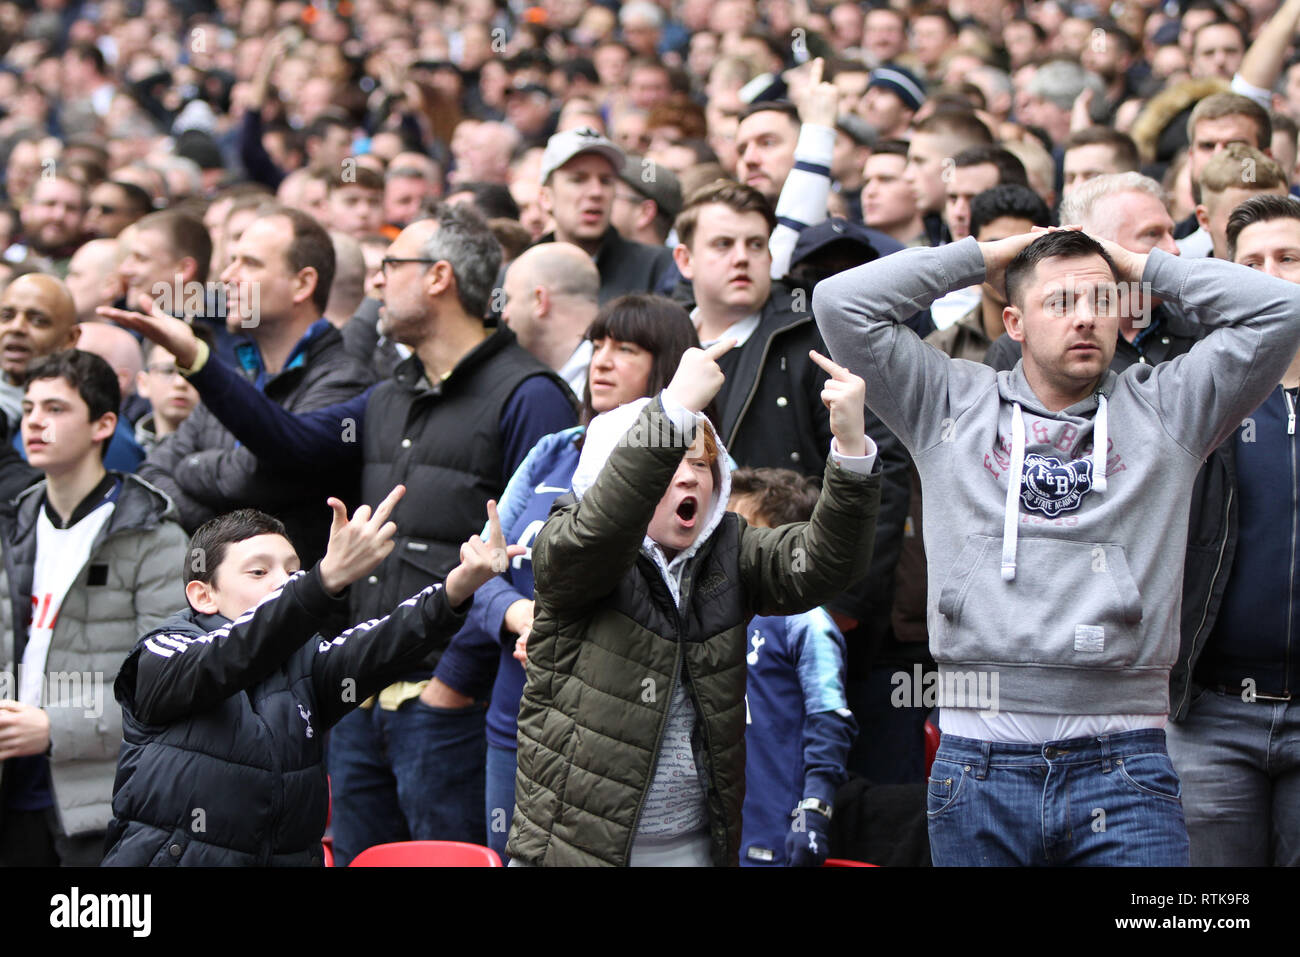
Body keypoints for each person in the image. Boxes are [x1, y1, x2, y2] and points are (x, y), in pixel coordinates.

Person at [813, 222, 1300, 865]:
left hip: (1127, 766)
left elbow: (1282, 308)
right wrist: (989, 256)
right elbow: (839, 302)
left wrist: (1138, 265)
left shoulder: (1172, 409)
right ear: (1013, 322)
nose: (1085, 319)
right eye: (1060, 302)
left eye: (1101, 303)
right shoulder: (947, 401)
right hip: (977, 765)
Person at [110, 202, 576, 864]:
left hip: (448, 702)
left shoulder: (531, 395)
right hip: (353, 699)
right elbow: (291, 443)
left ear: (439, 276)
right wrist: (198, 359)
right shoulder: (390, 393)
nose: (376, 283)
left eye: (391, 265)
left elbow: (532, 559)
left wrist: (452, 681)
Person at [507, 341, 882, 866]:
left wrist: (850, 448)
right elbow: (599, 533)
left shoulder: (731, 550)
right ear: (612, 475)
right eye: (670, 459)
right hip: (576, 850)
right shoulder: (567, 543)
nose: (689, 476)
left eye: (702, 464)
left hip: (695, 849)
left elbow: (825, 564)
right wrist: (676, 410)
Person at [102, 490, 522, 866]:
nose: (284, 582)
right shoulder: (161, 653)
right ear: (203, 595)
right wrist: (323, 582)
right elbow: (229, 655)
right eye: (258, 572)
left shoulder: (305, 662)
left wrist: (456, 589)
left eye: (292, 570)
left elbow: (380, 644)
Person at [470, 293, 698, 860]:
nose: (601, 362)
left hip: (628, 728)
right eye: (597, 346)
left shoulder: (702, 463)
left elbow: (700, 590)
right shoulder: (554, 450)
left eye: (626, 349)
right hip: (519, 713)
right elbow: (480, 568)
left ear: (666, 366)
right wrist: (518, 612)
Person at [0, 350, 187, 865]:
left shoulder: (153, 537)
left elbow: (165, 687)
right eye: (31, 407)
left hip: (103, 800)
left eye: (56, 409)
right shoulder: (12, 526)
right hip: (11, 794)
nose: (35, 421)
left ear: (105, 423)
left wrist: (54, 728)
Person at [118, 206, 376, 567]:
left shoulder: (342, 380)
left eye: (250, 263)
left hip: (299, 614)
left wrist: (191, 468)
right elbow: (151, 475)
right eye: (231, 260)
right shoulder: (237, 377)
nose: (227, 276)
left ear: (302, 284)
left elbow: (255, 480)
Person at [1166, 193, 1300, 866]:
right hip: (1211, 713)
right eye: (1251, 262)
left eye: (1290, 258)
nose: (1271, 275)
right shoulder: (1197, 394)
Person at [728, 466, 857, 867]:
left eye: (743, 529)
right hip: (706, 830)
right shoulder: (709, 610)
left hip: (771, 836)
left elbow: (830, 722)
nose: (727, 542)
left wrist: (812, 815)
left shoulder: (806, 620)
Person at [0, 274, 82, 435]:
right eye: (7, 317)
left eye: (37, 321)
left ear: (71, 338)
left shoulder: (84, 415)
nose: (16, 327)